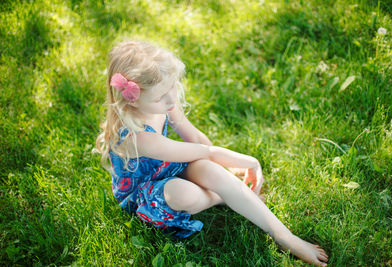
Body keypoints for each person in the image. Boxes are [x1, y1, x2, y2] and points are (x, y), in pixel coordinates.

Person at [96, 40, 329, 266]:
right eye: (160, 97)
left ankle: (284, 236)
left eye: (172, 88)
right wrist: (248, 161)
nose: (171, 100)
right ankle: (226, 197)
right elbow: (203, 150)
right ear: (132, 101)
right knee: (183, 193)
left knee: (209, 169)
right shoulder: (138, 138)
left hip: (167, 166)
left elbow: (197, 141)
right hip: (143, 194)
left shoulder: (164, 102)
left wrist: (221, 172)